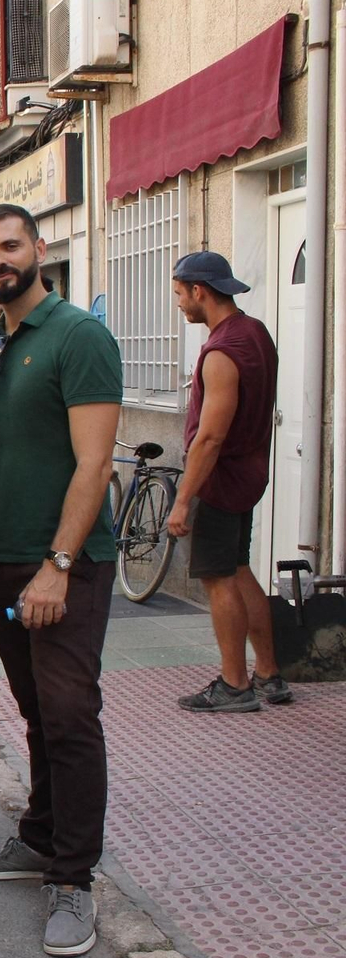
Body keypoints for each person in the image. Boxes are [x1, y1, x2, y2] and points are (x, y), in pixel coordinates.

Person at [0, 203, 122, 958]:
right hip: (7, 560)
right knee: (35, 712)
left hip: (67, 563)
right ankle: (39, 839)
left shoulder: (78, 337)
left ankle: (74, 879)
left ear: (39, 247)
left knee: (68, 715)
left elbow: (94, 463)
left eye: (10, 245)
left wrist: (59, 564)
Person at [166, 252, 288, 712]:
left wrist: (183, 500)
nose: (178, 302)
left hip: (220, 481)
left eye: (179, 293)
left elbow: (211, 437)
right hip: (250, 474)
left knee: (218, 579)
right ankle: (271, 675)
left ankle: (235, 685)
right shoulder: (255, 333)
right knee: (238, 570)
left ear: (200, 290)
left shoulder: (221, 352)